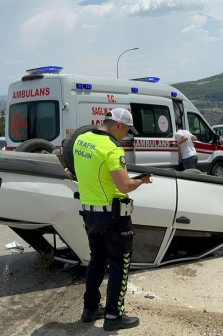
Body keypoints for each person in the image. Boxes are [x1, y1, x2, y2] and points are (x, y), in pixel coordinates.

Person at [73, 108, 153, 331]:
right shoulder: (112, 148)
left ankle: (90, 309)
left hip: (89, 213)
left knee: (97, 260)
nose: (126, 135)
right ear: (118, 125)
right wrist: (141, 181)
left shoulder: (81, 139)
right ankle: (114, 316)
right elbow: (124, 186)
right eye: (127, 130)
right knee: (120, 264)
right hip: (113, 216)